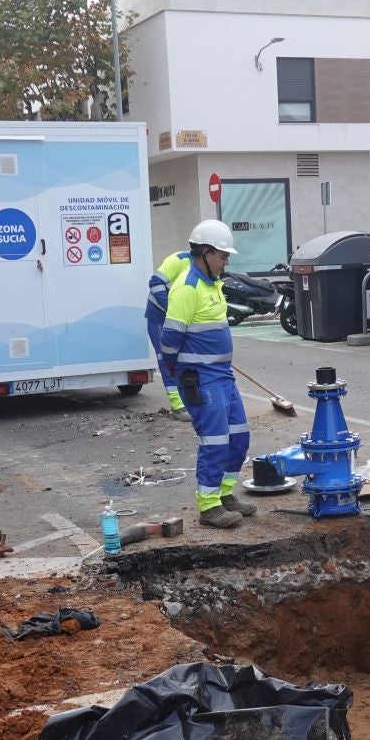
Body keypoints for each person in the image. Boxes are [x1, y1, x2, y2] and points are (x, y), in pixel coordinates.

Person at [160, 219, 255, 529]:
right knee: (215, 441)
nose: (226, 261)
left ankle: (225, 494)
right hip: (201, 378)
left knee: (239, 436)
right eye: (223, 255)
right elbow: (169, 340)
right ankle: (209, 505)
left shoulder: (211, 284)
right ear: (205, 253)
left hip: (222, 376)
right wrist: (180, 375)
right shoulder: (187, 288)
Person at [144, 244, 193, 415]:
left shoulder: (207, 272)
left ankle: (190, 400)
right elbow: (155, 282)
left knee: (186, 359)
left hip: (181, 318)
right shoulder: (179, 260)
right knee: (165, 358)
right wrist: (171, 309)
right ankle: (177, 405)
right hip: (158, 317)